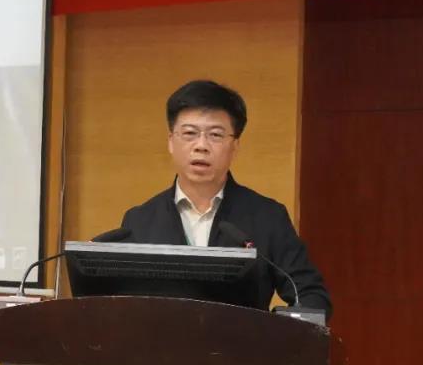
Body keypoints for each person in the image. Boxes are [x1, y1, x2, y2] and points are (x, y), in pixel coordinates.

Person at [119, 79, 332, 316]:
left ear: (235, 146)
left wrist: (272, 331)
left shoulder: (267, 216)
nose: (201, 146)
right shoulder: (140, 221)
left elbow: (311, 296)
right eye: (189, 133)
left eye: (215, 135)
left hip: (243, 340)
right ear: (171, 141)